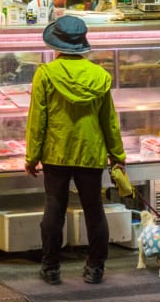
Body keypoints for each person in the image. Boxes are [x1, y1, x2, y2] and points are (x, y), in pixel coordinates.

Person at [24, 15, 125, 286]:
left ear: (56, 45)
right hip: (91, 152)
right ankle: (95, 268)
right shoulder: (100, 76)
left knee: (54, 210)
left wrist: (32, 156)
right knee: (94, 210)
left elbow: (37, 119)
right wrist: (117, 156)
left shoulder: (46, 74)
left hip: (56, 151)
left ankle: (51, 268)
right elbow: (109, 122)